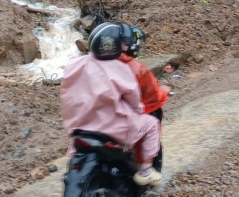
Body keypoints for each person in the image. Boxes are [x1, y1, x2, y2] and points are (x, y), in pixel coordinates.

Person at [60, 22, 162, 186]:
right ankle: (146, 171)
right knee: (151, 124)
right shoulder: (121, 68)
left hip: (79, 124)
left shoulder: (75, 64)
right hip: (110, 127)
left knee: (76, 146)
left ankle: (73, 169)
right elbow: (135, 101)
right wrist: (139, 109)